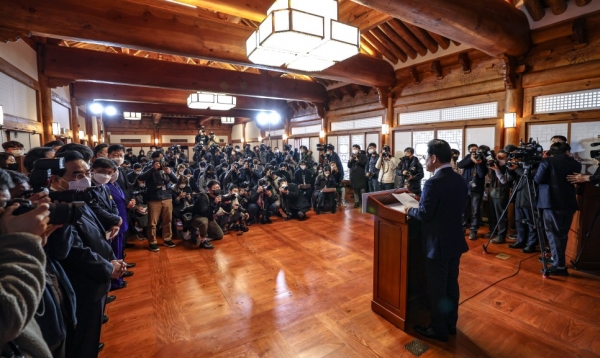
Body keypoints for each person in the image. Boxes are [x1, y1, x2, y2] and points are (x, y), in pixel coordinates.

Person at [407, 139, 468, 342]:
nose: (424, 160)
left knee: (437, 288)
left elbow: (424, 214)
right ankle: (450, 324)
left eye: (426, 157)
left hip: (437, 244)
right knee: (452, 283)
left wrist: (410, 209)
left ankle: (438, 329)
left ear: (434, 158)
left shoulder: (433, 182)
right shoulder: (459, 178)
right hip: (455, 240)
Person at [534, 142, 582, 276]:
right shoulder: (575, 163)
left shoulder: (547, 162)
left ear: (551, 151)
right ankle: (558, 260)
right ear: (567, 151)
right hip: (569, 202)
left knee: (553, 234)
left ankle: (559, 266)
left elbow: (538, 179)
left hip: (551, 202)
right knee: (562, 234)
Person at [137, 152, 179, 252]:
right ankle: (152, 242)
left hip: (167, 197)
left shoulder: (165, 165)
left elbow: (176, 180)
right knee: (152, 222)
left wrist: (169, 172)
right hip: (153, 198)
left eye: (161, 157)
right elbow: (141, 177)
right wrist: (153, 169)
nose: (160, 160)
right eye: (158, 158)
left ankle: (167, 239)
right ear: (153, 158)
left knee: (167, 220)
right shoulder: (148, 166)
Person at [458, 144, 488, 240]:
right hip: (465, 188)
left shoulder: (483, 159)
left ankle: (473, 231)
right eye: (472, 150)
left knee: (475, 212)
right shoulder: (468, 157)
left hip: (477, 190)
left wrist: (478, 163)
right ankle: (461, 230)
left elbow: (481, 174)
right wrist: (471, 159)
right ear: (469, 151)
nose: (475, 152)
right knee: (463, 210)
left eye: (476, 150)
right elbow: (460, 165)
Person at [190, 180, 224, 249]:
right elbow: (204, 213)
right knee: (204, 220)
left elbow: (219, 209)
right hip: (198, 217)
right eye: (215, 188)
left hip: (209, 217)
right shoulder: (203, 198)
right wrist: (214, 203)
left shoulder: (218, 197)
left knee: (219, 235)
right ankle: (203, 240)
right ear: (209, 189)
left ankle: (199, 233)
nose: (217, 190)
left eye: (218, 188)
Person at [488, 150, 510, 244]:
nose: (499, 160)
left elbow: (504, 181)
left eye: (502, 158)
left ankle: (501, 236)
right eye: (498, 157)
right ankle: (493, 231)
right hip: (492, 192)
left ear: (507, 158)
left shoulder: (508, 167)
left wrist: (497, 170)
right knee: (492, 215)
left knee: (501, 216)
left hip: (501, 194)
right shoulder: (494, 164)